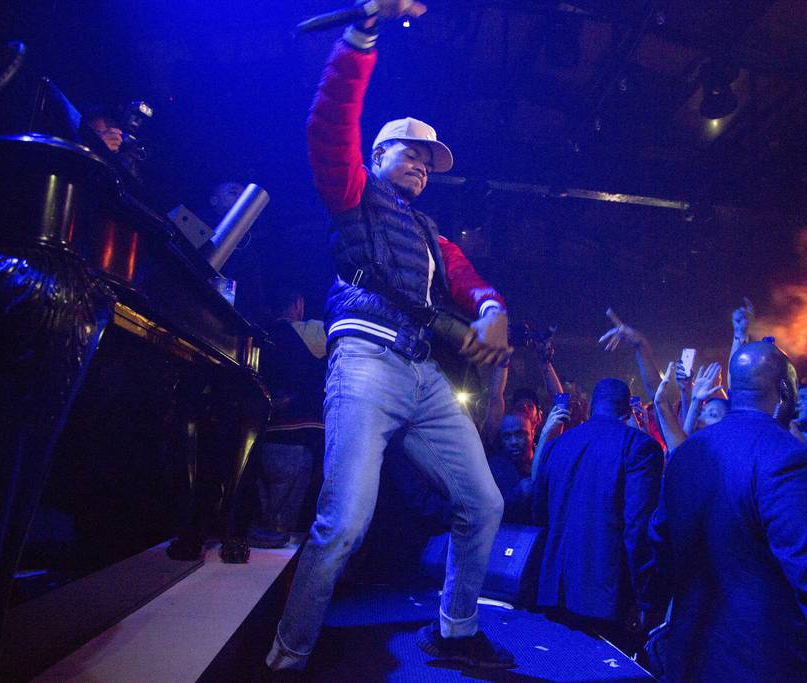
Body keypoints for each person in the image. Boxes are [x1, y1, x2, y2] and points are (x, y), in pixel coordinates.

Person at [267, 2, 515, 673]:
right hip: (367, 359)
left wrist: (492, 309)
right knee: (344, 519)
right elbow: (329, 121)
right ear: (379, 153)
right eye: (411, 152)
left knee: (484, 500)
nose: (421, 167)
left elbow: (470, 281)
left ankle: (455, 629)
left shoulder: (434, 234)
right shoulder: (351, 189)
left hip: (422, 374)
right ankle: (288, 654)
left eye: (430, 161)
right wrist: (362, 34)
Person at [650, 341, 807, 681]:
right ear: (783, 391)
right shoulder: (789, 458)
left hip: (691, 657)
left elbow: (659, 541)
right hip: (766, 663)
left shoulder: (687, 453)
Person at [532, 378, 663, 652]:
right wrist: (644, 598)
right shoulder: (639, 446)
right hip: (606, 597)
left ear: (591, 406)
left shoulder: (558, 445)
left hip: (552, 589)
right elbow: (637, 528)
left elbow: (540, 516)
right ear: (627, 410)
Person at [249, 284, 326, 548]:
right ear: (298, 303)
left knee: (259, 527)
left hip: (258, 440)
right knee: (282, 534)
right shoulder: (309, 332)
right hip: (296, 441)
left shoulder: (258, 334)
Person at [487, 413, 534, 523]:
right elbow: (489, 510)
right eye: (507, 436)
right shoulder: (494, 468)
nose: (514, 442)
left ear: (532, 433)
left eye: (520, 434)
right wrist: (519, 493)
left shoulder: (544, 461)